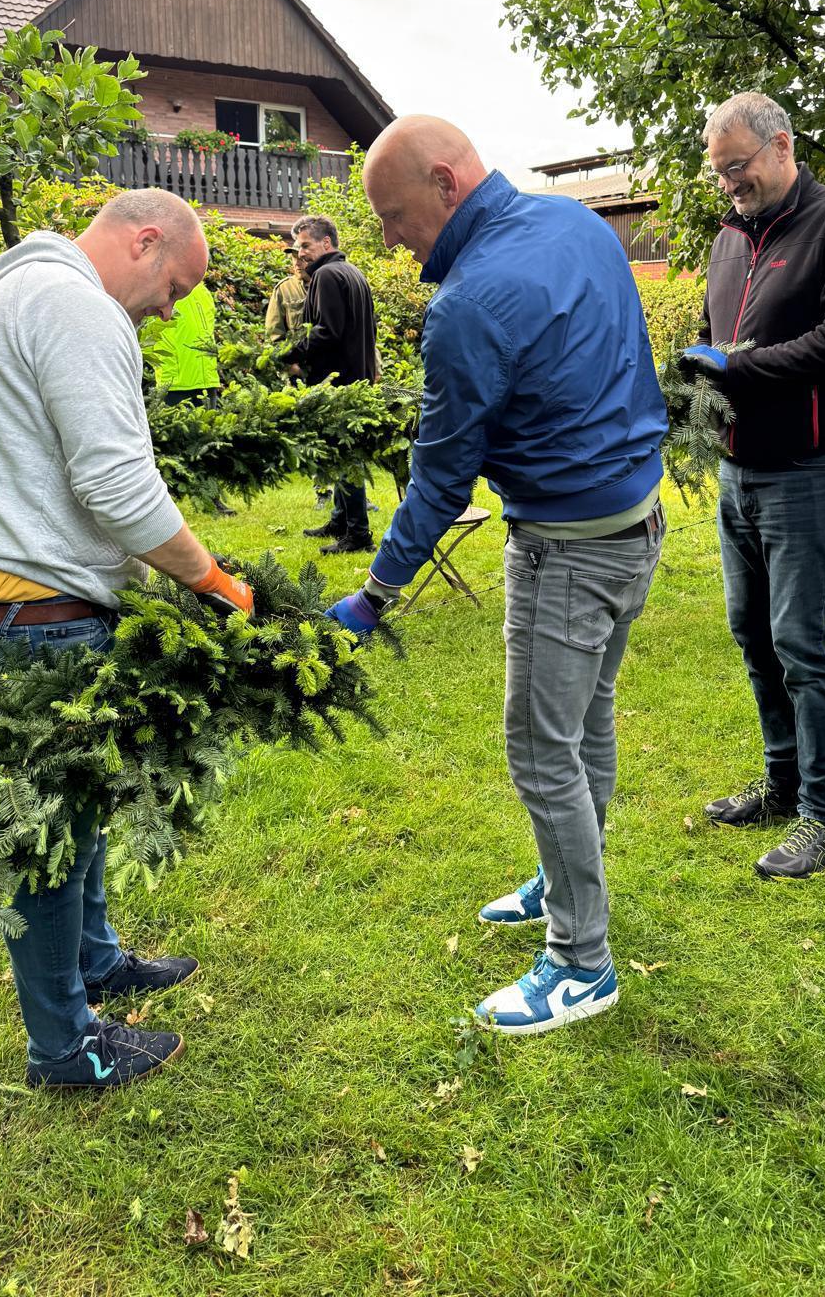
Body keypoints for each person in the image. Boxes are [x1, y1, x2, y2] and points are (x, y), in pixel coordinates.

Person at [327, 115, 668, 1036]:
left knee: (541, 753)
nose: (393, 246)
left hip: (567, 550)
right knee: (586, 723)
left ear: (446, 183)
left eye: (395, 219)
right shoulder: (581, 227)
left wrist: (376, 593)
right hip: (639, 526)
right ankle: (567, 883)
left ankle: (579, 963)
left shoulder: (471, 301)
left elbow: (441, 478)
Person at [0, 187, 255, 1091]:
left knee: (82, 814)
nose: (173, 310)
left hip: (28, 611)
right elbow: (114, 482)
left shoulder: (24, 294)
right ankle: (66, 1049)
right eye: (178, 286)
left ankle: (98, 962)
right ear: (145, 241)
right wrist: (210, 580)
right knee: (51, 850)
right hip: (30, 626)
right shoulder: (75, 306)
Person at [682, 92, 825, 881]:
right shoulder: (728, 238)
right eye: (720, 173)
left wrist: (738, 365)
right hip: (742, 469)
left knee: (802, 642)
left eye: (738, 167)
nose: (731, 184)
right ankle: (784, 783)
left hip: (812, 465)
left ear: (781, 147)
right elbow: (718, 337)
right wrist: (701, 366)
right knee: (754, 634)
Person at [287, 215, 378, 555]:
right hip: (358, 378)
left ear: (327, 244)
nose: (301, 254)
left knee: (345, 458)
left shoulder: (326, 275)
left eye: (306, 246)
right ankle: (340, 520)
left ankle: (358, 535)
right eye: (298, 247)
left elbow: (328, 332)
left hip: (337, 381)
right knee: (343, 455)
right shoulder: (352, 272)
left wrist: (290, 352)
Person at [149, 280, 222, 408]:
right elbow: (143, 334)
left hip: (207, 382)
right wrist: (163, 363)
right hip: (174, 386)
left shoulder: (202, 291)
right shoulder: (158, 289)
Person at [264, 230, 306, 347]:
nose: (297, 263)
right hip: (296, 362)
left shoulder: (327, 284)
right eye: (294, 257)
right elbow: (273, 335)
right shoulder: (284, 289)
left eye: (301, 258)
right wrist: (289, 363)